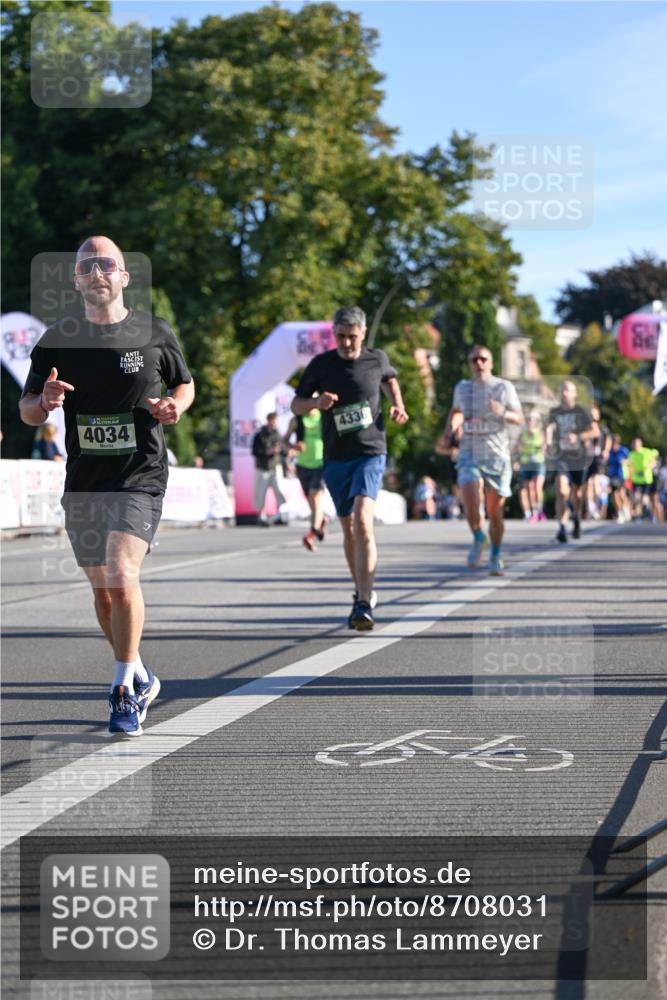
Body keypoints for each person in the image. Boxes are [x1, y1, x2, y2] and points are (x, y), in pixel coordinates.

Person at [19, 235, 194, 736]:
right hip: (84, 481)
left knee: (121, 572)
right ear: (76, 280)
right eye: (86, 266)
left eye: (106, 264)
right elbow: (27, 409)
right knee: (103, 593)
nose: (96, 272)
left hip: (140, 476)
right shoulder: (58, 340)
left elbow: (185, 382)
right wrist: (45, 401)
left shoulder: (153, 333)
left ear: (124, 276)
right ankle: (140, 671)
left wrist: (175, 406)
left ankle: (122, 689)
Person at [291, 305, 408, 630]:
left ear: (363, 333)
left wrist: (397, 405)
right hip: (336, 457)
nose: (346, 343)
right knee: (348, 529)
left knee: (362, 520)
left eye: (352, 337)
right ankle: (361, 587)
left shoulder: (376, 358)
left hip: (371, 451)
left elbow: (390, 380)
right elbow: (295, 404)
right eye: (341, 337)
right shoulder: (321, 364)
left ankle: (364, 602)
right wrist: (316, 402)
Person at [436, 345, 524, 576]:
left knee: (495, 513)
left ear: (491, 363)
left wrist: (502, 413)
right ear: (470, 363)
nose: (479, 363)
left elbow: (519, 418)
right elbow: (456, 412)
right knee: (471, 504)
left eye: (483, 359)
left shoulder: (504, 387)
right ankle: (478, 536)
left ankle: (495, 553)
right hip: (469, 453)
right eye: (474, 360)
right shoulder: (462, 388)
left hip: (496, 456)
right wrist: (448, 431)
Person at [544, 381, 597, 543]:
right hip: (562, 456)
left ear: (574, 394)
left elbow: (595, 431)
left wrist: (578, 437)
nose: (564, 392)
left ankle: (576, 517)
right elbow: (547, 427)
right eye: (562, 389)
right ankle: (561, 526)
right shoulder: (555, 411)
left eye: (568, 390)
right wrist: (546, 443)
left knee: (577, 493)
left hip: (579, 457)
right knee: (561, 489)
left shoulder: (582, 411)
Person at [284, 405, 327, 551]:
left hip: (321, 463)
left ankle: (311, 534)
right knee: (311, 501)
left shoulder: (323, 417)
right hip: (302, 465)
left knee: (315, 498)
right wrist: (293, 447)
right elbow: (284, 441)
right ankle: (321, 521)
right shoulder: (297, 420)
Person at [251, 412, 288, 526]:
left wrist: (281, 451)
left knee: (279, 491)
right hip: (263, 468)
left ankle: (280, 515)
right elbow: (254, 451)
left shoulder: (277, 434)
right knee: (260, 493)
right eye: (272, 421)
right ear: (268, 421)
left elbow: (283, 450)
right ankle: (261, 516)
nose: (274, 423)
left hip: (275, 467)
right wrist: (267, 452)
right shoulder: (260, 435)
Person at [515, 411, 546, 522]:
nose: (530, 421)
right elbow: (517, 448)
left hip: (538, 463)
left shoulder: (540, 433)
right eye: (528, 419)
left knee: (537, 487)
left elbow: (544, 447)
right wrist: (516, 461)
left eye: (532, 419)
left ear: (536, 421)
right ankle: (531, 512)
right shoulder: (522, 433)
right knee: (528, 489)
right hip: (525, 463)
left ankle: (539, 510)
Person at [627, 436, 660, 521]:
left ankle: (646, 511)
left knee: (644, 497)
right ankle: (638, 515)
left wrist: (650, 465)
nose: (636, 446)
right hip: (636, 479)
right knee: (635, 497)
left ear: (641, 444)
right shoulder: (631, 454)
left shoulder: (646, 452)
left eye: (637, 444)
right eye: (634, 444)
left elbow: (654, 458)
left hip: (646, 479)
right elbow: (629, 465)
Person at [606, 434, 631, 522]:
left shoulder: (623, 450)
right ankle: (620, 512)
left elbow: (629, 461)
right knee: (615, 495)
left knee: (621, 494)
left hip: (621, 475)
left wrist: (624, 461)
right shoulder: (609, 451)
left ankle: (626, 510)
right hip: (612, 475)